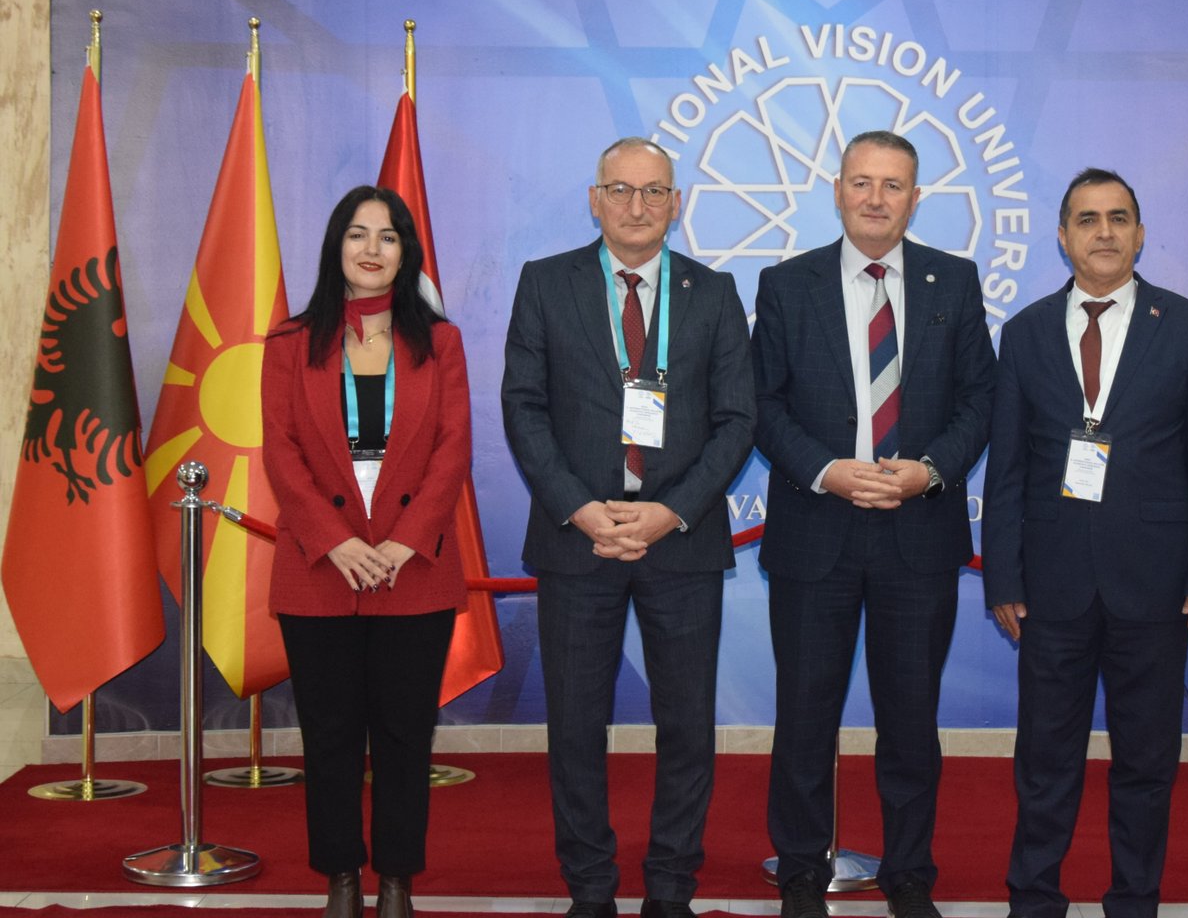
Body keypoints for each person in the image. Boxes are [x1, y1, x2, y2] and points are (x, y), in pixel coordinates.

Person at [502, 136, 755, 918]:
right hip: (578, 540)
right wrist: (581, 508)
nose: (636, 206)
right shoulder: (545, 283)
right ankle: (590, 888)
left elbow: (737, 419)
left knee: (687, 727)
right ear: (594, 199)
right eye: (620, 190)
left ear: (677, 204)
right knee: (577, 727)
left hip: (680, 539)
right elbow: (524, 407)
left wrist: (670, 511)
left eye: (653, 192)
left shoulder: (714, 292)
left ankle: (672, 887)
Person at [752, 130, 996, 918]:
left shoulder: (953, 281)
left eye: (893, 185)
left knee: (911, 723)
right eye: (862, 182)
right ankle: (800, 874)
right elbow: (762, 403)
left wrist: (930, 469)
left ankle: (910, 876)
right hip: (815, 530)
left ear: (915, 198)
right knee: (804, 717)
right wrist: (826, 469)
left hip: (918, 532)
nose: (876, 198)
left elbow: (980, 400)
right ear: (837, 190)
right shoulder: (787, 284)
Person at [981, 167, 1188, 918]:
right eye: (1087, 219)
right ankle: (1033, 899)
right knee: (1044, 759)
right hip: (1050, 584)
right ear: (1063, 237)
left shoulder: (1183, 326)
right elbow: (1007, 468)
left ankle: (1134, 901)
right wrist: (1002, 579)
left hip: (1154, 584)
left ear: (1140, 234)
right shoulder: (1025, 332)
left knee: (1147, 762)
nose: (1104, 232)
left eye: (1118, 218)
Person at [263, 185, 472, 918]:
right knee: (329, 737)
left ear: (406, 252)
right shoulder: (290, 342)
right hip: (321, 569)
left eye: (388, 236)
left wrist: (405, 542)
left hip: (415, 570)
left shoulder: (441, 342)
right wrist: (338, 542)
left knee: (404, 737)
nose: (372, 249)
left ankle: (396, 883)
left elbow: (452, 450)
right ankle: (342, 880)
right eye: (357, 234)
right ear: (336, 246)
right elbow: (281, 453)